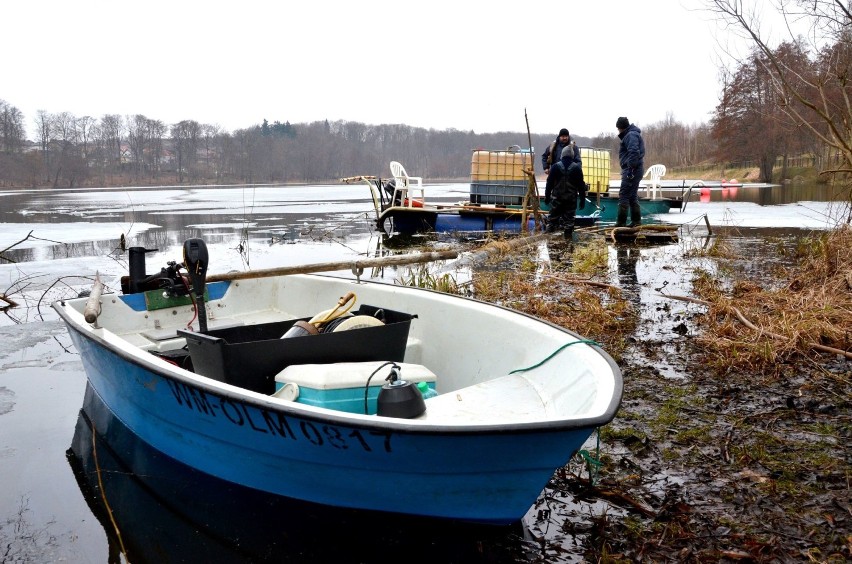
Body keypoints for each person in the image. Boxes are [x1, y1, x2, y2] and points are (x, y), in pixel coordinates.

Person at [544, 145, 586, 238]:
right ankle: (568, 243)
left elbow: (549, 183)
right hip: (571, 200)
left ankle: (548, 244)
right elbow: (581, 186)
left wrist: (547, 197)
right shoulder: (577, 168)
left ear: (562, 155)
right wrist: (582, 200)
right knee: (569, 224)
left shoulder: (555, 167)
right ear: (572, 156)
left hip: (557, 199)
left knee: (551, 222)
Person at [615, 116, 646, 227]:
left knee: (624, 195)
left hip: (632, 169)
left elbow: (633, 151)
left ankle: (621, 223)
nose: (618, 130)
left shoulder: (630, 135)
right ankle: (636, 222)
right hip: (635, 168)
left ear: (620, 127)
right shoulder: (632, 134)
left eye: (618, 128)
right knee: (632, 195)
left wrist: (631, 169)